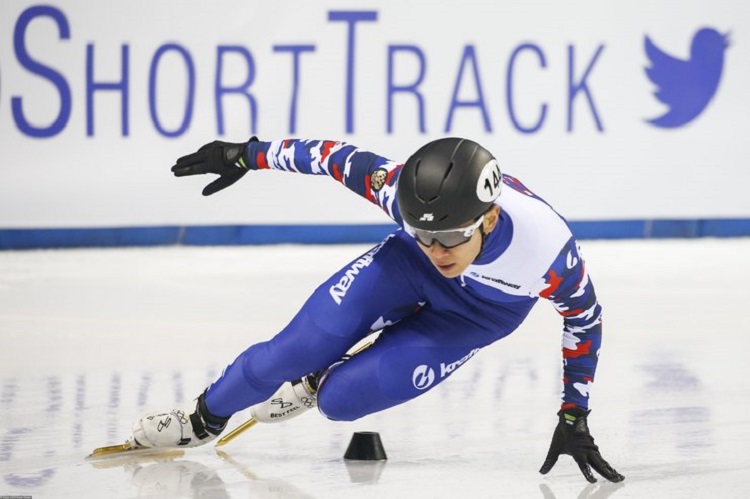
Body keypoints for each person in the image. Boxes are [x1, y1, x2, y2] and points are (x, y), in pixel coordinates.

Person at [129, 137, 624, 483]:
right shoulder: (404, 204)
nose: (437, 248)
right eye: (423, 231)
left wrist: (573, 414)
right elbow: (332, 158)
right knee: (289, 352)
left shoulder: (547, 252)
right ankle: (202, 418)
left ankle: (317, 384)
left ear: (490, 218)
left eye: (451, 236)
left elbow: (584, 321)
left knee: (340, 402)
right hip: (403, 268)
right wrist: (246, 155)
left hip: (479, 315)